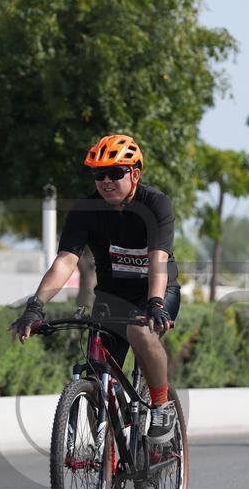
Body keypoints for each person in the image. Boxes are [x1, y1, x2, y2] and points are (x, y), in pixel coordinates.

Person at [11, 134, 181, 441]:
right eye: (98, 174)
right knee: (96, 375)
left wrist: (155, 302)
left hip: (156, 291)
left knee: (140, 331)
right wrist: (35, 306)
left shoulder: (155, 204)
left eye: (115, 173)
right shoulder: (86, 209)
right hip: (112, 296)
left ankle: (160, 404)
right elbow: (65, 262)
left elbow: (157, 260)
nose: (106, 181)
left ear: (135, 174)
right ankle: (106, 456)